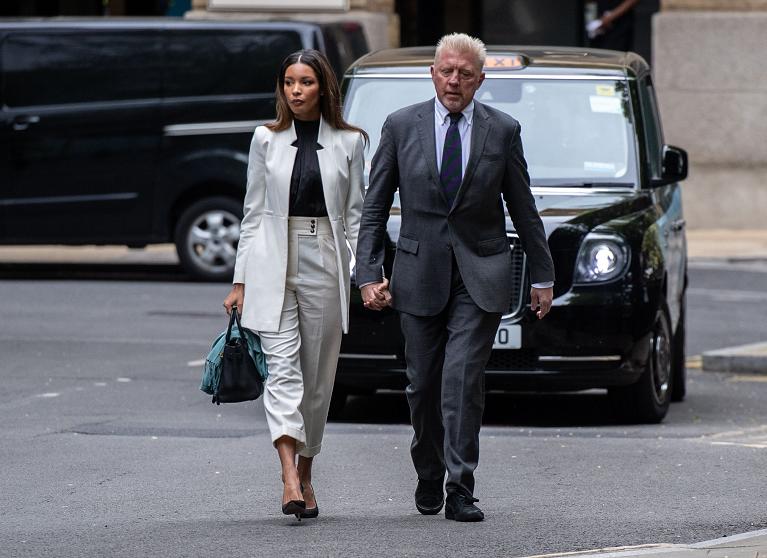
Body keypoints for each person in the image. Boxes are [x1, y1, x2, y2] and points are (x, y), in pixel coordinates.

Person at [355, 33, 555, 522]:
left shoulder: (502, 131)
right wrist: (368, 273)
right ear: (432, 73)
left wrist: (543, 274)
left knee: (462, 379)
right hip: (418, 271)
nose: (454, 80)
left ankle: (460, 485)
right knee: (422, 386)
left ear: (480, 80)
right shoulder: (401, 126)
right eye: (447, 71)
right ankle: (428, 469)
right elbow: (376, 205)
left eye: (465, 74)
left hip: (479, 271)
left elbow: (523, 207)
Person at [223, 49, 367, 520]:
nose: (295, 91)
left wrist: (362, 273)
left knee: (317, 380)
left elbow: (356, 217)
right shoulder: (265, 138)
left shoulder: (349, 142)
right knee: (282, 372)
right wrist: (240, 279)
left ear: (322, 87)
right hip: (271, 259)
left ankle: (307, 470)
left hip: (324, 253)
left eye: (305, 82)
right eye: (288, 82)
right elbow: (252, 213)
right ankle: (288, 476)